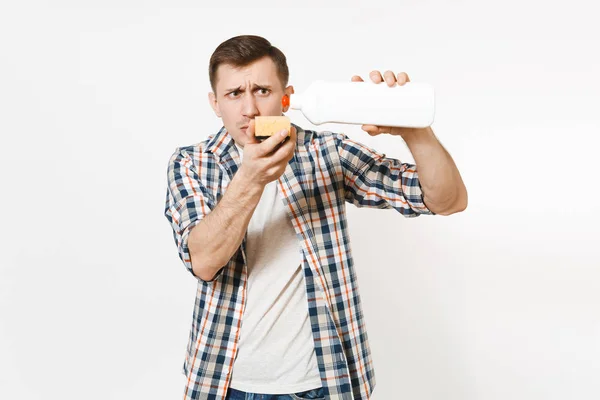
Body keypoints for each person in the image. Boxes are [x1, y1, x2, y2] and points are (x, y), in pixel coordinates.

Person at [164, 35, 467, 400]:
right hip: (226, 382)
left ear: (286, 97)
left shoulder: (327, 152)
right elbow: (204, 262)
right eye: (233, 94)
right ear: (215, 103)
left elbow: (447, 200)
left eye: (262, 90)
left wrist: (414, 129)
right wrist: (250, 179)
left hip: (325, 383)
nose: (250, 109)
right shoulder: (192, 163)